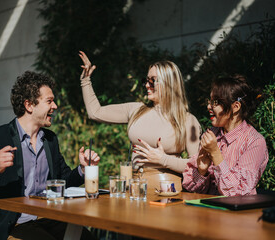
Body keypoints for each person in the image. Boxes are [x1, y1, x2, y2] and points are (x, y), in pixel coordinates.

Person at [0, 71, 100, 240]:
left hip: (48, 219)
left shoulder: (50, 140)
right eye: (49, 101)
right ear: (29, 105)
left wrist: (82, 169)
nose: (55, 106)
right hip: (11, 224)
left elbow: (63, 182)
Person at [79, 51, 201, 191]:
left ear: (169, 83)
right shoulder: (136, 110)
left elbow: (198, 166)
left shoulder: (187, 120)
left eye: (152, 81)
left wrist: (164, 160)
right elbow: (95, 113)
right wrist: (85, 80)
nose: (147, 85)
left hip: (167, 192)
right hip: (133, 187)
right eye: (146, 80)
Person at [182, 74, 268, 196]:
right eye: (210, 101)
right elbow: (191, 188)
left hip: (237, 213)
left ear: (235, 107)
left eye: (215, 102)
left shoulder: (255, 142)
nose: (209, 107)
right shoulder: (213, 134)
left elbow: (237, 193)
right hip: (207, 211)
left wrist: (216, 154)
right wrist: (201, 172)